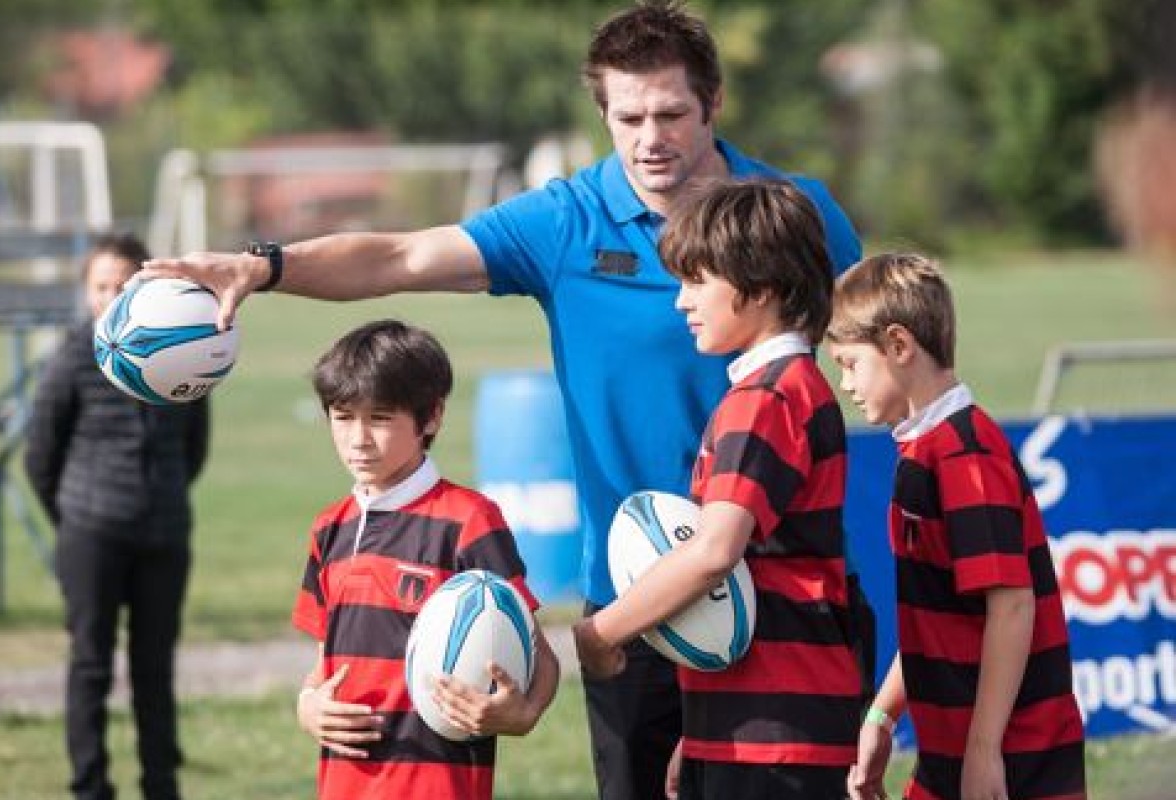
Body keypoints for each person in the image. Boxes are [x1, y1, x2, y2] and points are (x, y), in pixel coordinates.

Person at [143, 3, 869, 797]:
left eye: (671, 113)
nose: (650, 138)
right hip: (633, 598)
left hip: (784, 596)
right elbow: (403, 253)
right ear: (603, 113)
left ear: (714, 103)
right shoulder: (566, 221)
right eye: (628, 117)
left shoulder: (792, 215)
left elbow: (868, 341)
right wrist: (265, 265)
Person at [574, 178, 863, 800]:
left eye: (697, 280)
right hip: (754, 718)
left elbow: (713, 554)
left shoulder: (763, 400)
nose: (681, 302)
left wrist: (599, 633)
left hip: (775, 727)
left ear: (761, 286)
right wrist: (702, 732)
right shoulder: (791, 385)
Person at [826, 254, 1086, 800]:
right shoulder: (921, 450)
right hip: (949, 755)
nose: (843, 382)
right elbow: (936, 618)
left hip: (1016, 761)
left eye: (849, 363)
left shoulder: (966, 457)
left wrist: (985, 749)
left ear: (899, 346)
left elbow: (1012, 605)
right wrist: (882, 714)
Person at [291, 319, 560, 800]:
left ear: (431, 417)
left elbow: (540, 655)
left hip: (439, 784)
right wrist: (308, 705)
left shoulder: (469, 520)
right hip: (343, 786)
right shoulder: (329, 528)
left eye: (380, 418)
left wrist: (524, 712)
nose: (359, 439)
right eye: (343, 416)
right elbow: (322, 664)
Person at [24, 232, 209, 800]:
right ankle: (90, 785)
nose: (111, 296)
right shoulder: (72, 356)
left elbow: (194, 448)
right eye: (100, 286)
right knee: (91, 666)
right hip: (90, 531)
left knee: (155, 669)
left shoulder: (183, 349)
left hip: (164, 534)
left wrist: (163, 497)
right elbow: (41, 455)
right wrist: (78, 517)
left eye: (123, 285)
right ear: (86, 293)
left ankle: (162, 784)